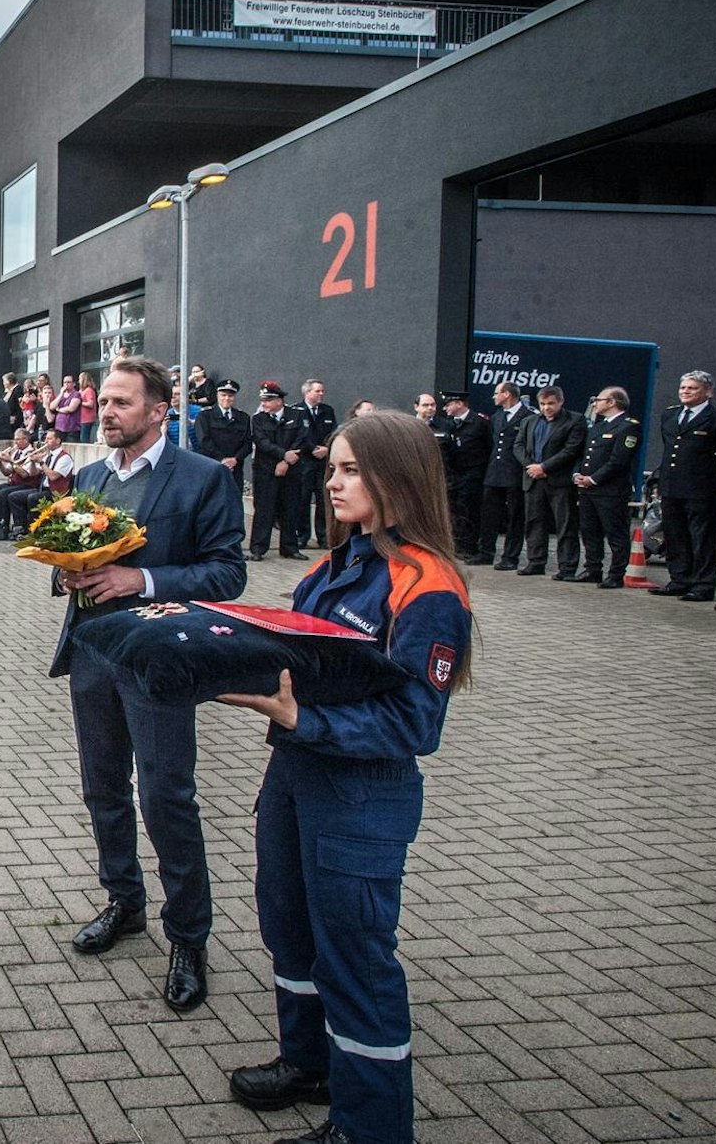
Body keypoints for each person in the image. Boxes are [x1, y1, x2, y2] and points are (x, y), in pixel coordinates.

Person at [217, 409, 473, 1144]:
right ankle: (309, 1062)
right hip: (294, 779)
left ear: (399, 477)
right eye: (332, 468)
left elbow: (415, 724)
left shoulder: (427, 585)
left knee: (355, 958)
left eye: (352, 470)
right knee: (288, 926)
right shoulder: (329, 567)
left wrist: (305, 720)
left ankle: (371, 1127)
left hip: (360, 798)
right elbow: (298, 660)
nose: (333, 482)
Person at [48, 356, 245, 1012]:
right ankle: (124, 901)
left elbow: (227, 573)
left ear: (159, 411)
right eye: (103, 400)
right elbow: (72, 551)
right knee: (102, 787)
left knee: (166, 797)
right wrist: (67, 574)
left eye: (121, 402)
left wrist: (143, 579)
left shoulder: (203, 478)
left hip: (157, 662)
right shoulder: (90, 476)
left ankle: (188, 937)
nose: (106, 412)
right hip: (93, 653)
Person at [650, 371, 716, 602]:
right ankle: (679, 580)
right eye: (683, 387)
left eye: (692, 388)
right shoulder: (670, 415)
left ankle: (703, 585)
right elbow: (670, 449)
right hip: (672, 485)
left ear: (708, 392)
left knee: (703, 538)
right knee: (675, 535)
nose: (685, 392)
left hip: (702, 488)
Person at [574, 386, 641, 588]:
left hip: (611, 491)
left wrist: (593, 479)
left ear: (612, 402)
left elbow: (618, 461)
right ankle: (593, 569)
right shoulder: (598, 427)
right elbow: (584, 455)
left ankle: (616, 574)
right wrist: (578, 474)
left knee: (615, 533)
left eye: (598, 399)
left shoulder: (627, 426)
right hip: (587, 489)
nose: (595, 403)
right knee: (589, 531)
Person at [517, 385, 583, 578]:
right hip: (533, 479)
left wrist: (544, 467)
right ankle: (535, 562)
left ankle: (567, 567)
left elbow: (571, 450)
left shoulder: (574, 420)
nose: (546, 408)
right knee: (534, 522)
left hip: (559, 481)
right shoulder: (529, 421)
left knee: (565, 524)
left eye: (551, 403)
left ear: (561, 402)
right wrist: (532, 467)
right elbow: (518, 445)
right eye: (543, 404)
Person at [249, 383, 307, 562]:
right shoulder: (258, 419)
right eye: (263, 400)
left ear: (279, 401)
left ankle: (290, 548)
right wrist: (283, 455)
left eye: (268, 400)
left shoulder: (297, 415)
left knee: (290, 509)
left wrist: (286, 461)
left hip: (291, 470)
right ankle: (258, 548)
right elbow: (262, 442)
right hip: (266, 471)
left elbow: (302, 438)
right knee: (264, 510)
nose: (264, 403)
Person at [477, 380, 531, 569]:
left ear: (507, 394)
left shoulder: (527, 416)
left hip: (515, 473)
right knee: (489, 514)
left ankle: (510, 557)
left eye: (496, 393)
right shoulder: (497, 416)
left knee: (515, 516)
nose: (494, 397)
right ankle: (486, 552)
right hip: (494, 472)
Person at [437, 392, 490, 554]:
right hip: (454, 474)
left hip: (473, 473)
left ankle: (470, 546)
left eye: (448, 404)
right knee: (455, 511)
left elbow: (489, 447)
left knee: (470, 511)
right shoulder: (449, 424)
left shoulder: (479, 422)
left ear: (459, 404)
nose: (445, 408)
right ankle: (457, 545)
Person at [194, 378, 252, 501]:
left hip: (235, 468)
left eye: (230, 396)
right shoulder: (205, 416)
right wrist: (222, 459)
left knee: (234, 502)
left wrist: (235, 459)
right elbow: (204, 441)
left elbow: (247, 443)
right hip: (212, 466)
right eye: (223, 395)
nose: (226, 398)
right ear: (217, 395)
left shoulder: (243, 417)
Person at [296, 380, 337, 550]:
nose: (321, 394)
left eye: (322, 391)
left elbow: (333, 432)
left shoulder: (327, 410)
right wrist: (312, 449)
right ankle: (302, 536)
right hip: (305, 462)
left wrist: (327, 448)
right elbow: (298, 435)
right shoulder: (297, 410)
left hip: (323, 463)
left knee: (323, 500)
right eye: (318, 391)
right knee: (303, 500)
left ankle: (323, 537)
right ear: (307, 393)